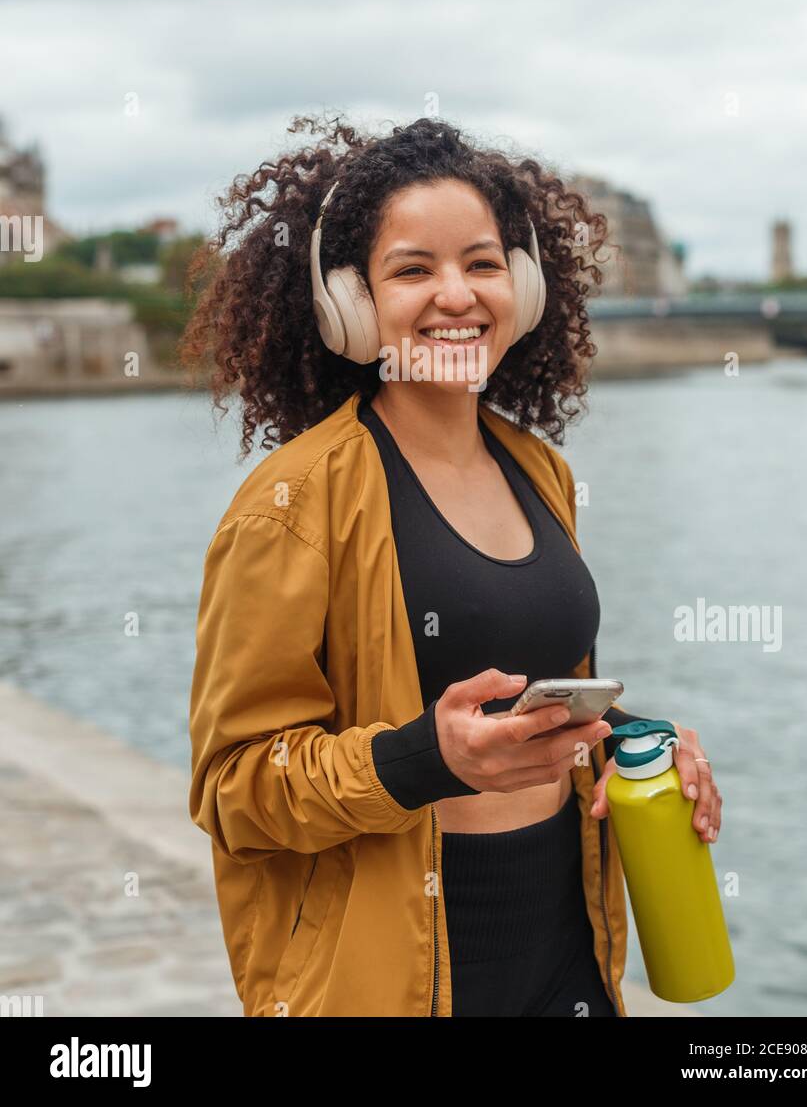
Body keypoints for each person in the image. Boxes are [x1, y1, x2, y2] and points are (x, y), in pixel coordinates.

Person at [183, 113, 722, 1017]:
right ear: (348, 306)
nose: (456, 295)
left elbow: (537, 692)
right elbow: (235, 787)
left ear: (525, 284)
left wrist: (638, 739)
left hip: (568, 945)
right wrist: (423, 759)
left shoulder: (539, 468)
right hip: (401, 972)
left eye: (480, 263)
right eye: (411, 269)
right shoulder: (292, 503)